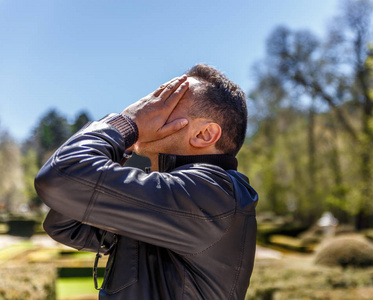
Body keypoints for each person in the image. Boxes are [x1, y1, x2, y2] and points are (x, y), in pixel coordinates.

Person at [35, 64, 258, 299]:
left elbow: (60, 178)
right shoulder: (171, 196)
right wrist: (123, 146)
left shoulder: (212, 194)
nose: (150, 109)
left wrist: (126, 124)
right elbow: (67, 224)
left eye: (168, 102)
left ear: (204, 135)